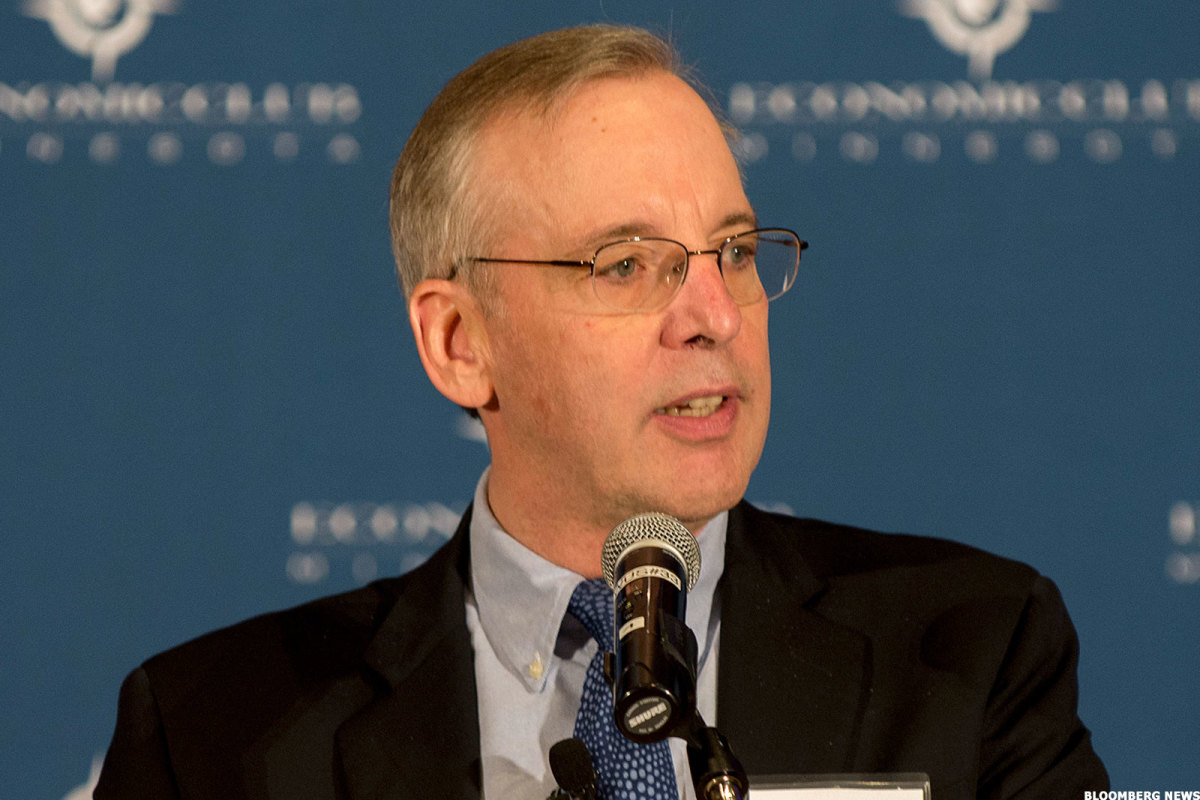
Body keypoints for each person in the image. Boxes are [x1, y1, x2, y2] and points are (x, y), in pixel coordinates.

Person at [95, 24, 1108, 800]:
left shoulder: (972, 652)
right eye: (627, 265)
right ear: (459, 342)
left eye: (735, 252)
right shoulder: (210, 736)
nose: (716, 315)